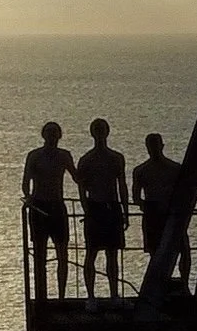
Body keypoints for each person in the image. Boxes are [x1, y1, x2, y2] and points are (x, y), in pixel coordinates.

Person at [21, 120, 75, 300]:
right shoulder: (34, 156)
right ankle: (41, 295)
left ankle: (61, 296)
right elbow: (26, 182)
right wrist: (29, 198)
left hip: (57, 207)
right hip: (39, 207)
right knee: (39, 253)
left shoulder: (64, 156)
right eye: (49, 134)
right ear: (44, 135)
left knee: (62, 253)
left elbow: (77, 177)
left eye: (55, 134)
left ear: (59, 136)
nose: (52, 137)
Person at [76, 118, 130, 299]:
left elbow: (122, 185)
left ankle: (114, 294)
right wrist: (86, 209)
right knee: (91, 252)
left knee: (112, 254)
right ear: (92, 133)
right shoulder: (86, 160)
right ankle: (91, 296)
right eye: (97, 130)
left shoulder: (116, 158)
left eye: (102, 129)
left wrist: (125, 211)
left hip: (112, 208)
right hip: (95, 208)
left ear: (107, 132)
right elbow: (82, 188)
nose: (100, 133)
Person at [131, 132, 186, 280]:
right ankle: (162, 282)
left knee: (183, 249)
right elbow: (136, 198)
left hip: (169, 214)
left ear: (162, 146)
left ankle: (182, 282)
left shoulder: (175, 169)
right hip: (154, 215)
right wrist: (149, 207)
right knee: (156, 253)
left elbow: (136, 198)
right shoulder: (141, 171)